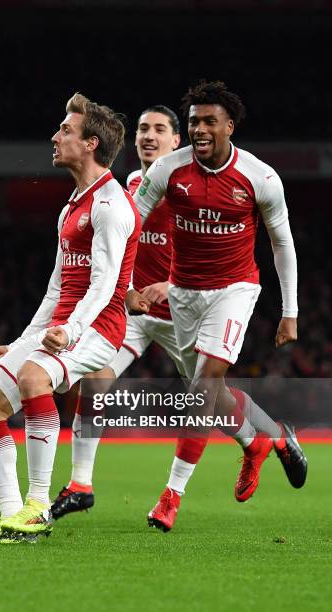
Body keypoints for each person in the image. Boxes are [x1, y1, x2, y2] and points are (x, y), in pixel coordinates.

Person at [51, 103, 306, 531]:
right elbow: (121, 248)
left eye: (160, 130)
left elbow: (220, 251)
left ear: (176, 141)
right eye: (143, 130)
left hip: (184, 306)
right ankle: (80, 484)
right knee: (94, 382)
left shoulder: (193, 183)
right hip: (136, 310)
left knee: (209, 398)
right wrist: (125, 290)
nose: (149, 136)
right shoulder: (134, 189)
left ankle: (263, 440)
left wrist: (169, 285)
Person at [0, 93, 141, 545]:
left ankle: (39, 504)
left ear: (91, 143)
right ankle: (14, 524)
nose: (55, 135)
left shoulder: (111, 205)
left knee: (33, 377)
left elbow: (103, 287)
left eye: (66, 129)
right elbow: (57, 288)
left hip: (98, 327)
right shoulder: (70, 208)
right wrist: (25, 339)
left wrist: (71, 330)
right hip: (58, 327)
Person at [133, 81, 307, 531]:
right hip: (183, 295)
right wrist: (123, 289)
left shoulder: (259, 177)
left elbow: (282, 243)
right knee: (211, 394)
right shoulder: (167, 171)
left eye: (209, 121)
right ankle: (258, 443)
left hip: (234, 289)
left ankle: (171, 497)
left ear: (229, 126)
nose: (199, 129)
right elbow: (128, 228)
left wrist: (290, 311)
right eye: (193, 122)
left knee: (204, 385)